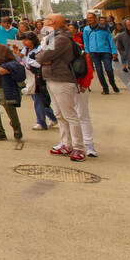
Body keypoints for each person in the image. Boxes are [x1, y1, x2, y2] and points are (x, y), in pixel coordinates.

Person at [37, 14, 90, 161]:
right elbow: (41, 55)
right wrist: (43, 58)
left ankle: (79, 147)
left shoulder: (61, 39)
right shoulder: (52, 37)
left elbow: (41, 57)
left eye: (46, 20)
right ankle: (66, 143)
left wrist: (44, 58)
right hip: (52, 78)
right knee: (59, 114)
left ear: (53, 23)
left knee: (70, 115)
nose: (43, 22)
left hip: (62, 79)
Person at [18, 31, 57, 130]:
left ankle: (41, 122)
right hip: (29, 76)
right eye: (23, 40)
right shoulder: (26, 49)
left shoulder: (39, 49)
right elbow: (20, 59)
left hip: (38, 76)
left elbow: (39, 64)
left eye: (26, 40)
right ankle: (52, 117)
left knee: (38, 99)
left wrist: (25, 59)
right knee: (38, 99)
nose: (24, 42)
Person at [81, 12, 120, 95]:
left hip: (105, 51)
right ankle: (105, 88)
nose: (89, 19)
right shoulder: (86, 29)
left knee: (109, 69)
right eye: (88, 18)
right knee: (99, 71)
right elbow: (86, 41)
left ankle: (113, 84)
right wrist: (87, 52)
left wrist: (114, 51)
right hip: (94, 52)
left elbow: (110, 39)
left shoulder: (104, 27)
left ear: (95, 18)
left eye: (91, 17)